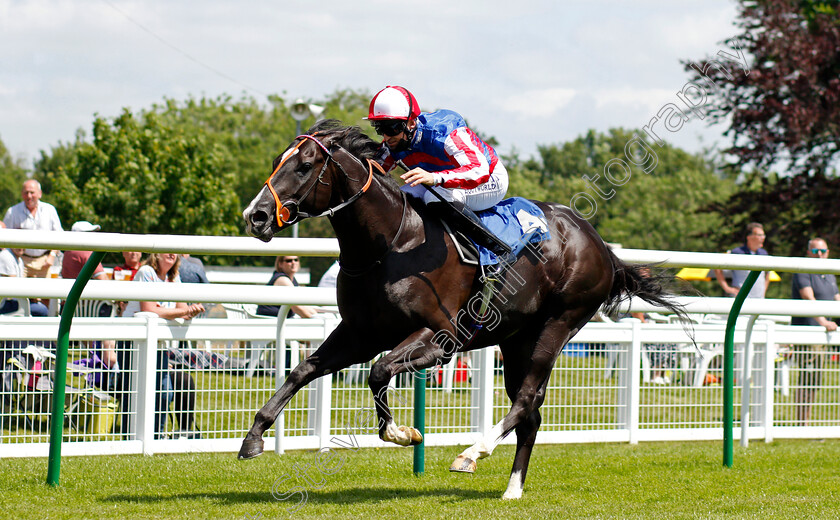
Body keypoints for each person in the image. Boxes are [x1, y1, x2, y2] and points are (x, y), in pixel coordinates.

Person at [367, 85, 512, 258]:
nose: (386, 137)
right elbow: (370, 174)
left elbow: (479, 171)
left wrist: (435, 177)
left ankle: (498, 251)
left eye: (392, 128)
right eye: (380, 129)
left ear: (411, 123)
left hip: (489, 179)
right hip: (440, 181)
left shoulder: (445, 132)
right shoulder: (396, 141)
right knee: (397, 199)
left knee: (434, 197)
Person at [119, 253, 204, 438]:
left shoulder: (173, 278)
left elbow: (181, 310)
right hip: (133, 343)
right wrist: (184, 311)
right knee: (133, 392)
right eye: (167, 250)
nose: (172, 254)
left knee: (164, 392)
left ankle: (156, 436)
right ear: (157, 254)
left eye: (175, 252)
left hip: (157, 344)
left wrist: (191, 311)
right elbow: (149, 309)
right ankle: (130, 437)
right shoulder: (146, 272)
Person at [790, 238, 840, 426]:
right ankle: (803, 423)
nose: (819, 255)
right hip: (808, 331)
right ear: (808, 251)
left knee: (816, 378)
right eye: (815, 251)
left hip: (823, 333)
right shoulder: (804, 271)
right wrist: (823, 322)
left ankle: (805, 422)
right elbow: (808, 297)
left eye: (823, 251)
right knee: (808, 376)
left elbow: (837, 298)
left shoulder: (830, 274)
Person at [3, 179, 63, 278]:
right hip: (21, 261)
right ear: (22, 194)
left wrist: (51, 256)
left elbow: (59, 235)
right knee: (18, 292)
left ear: (40, 194)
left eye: (32, 192)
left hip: (44, 262)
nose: (29, 196)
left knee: (45, 293)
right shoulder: (12, 212)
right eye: (26, 193)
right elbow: (4, 238)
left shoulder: (50, 210)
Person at [714, 222, 771, 299]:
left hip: (759, 300)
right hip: (740, 299)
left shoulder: (763, 253)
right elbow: (717, 267)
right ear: (749, 237)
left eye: (763, 235)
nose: (763, 238)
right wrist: (727, 288)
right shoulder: (738, 252)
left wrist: (763, 291)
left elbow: (767, 274)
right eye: (759, 235)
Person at [0, 246, 49, 316]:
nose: (21, 248)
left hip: (12, 300)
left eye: (23, 245)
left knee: (41, 306)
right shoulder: (6, 257)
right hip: (4, 304)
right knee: (42, 310)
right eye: (17, 245)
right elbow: (13, 287)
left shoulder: (18, 258)